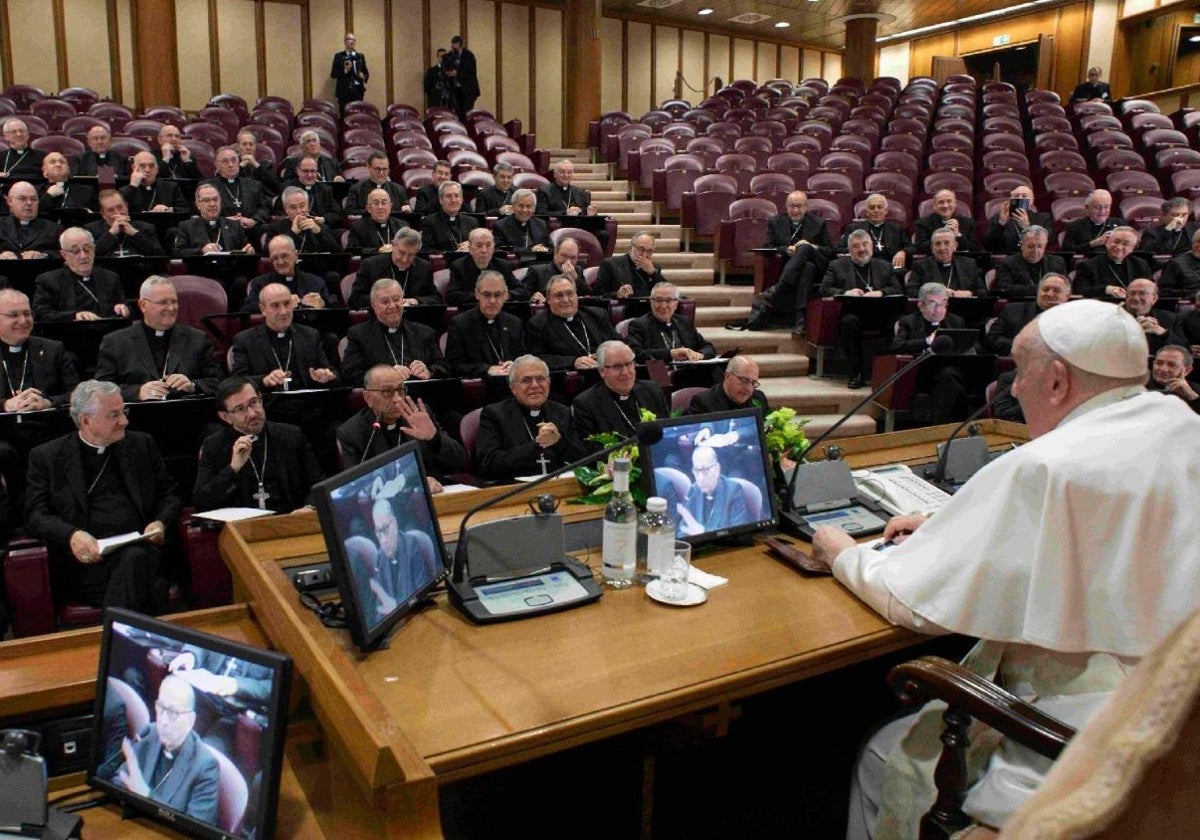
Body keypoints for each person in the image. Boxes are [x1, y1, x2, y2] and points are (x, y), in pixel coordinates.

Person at [812, 298, 1200, 839]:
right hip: (1169, 720)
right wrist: (955, 525)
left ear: (1059, 380)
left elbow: (912, 605)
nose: (1014, 389)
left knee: (883, 758)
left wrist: (843, 553)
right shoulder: (1181, 424)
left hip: (1079, 739)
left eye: (1021, 372)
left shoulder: (1047, 464)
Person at [25, 380, 180, 611]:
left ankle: (116, 639)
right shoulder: (48, 457)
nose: (124, 421)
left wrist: (160, 521)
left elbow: (170, 494)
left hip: (144, 550)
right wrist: (72, 535)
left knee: (136, 558)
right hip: (86, 565)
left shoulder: (141, 445)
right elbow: (35, 515)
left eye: (124, 411)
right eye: (114, 415)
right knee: (149, 583)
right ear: (85, 420)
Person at [193, 376, 323, 513]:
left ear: (260, 398)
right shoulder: (214, 446)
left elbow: (318, 483)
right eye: (240, 409)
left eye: (253, 402)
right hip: (242, 528)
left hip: (291, 521)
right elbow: (201, 502)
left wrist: (309, 507)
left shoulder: (292, 436)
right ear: (225, 417)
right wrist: (233, 469)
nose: (252, 413)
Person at [0, 288, 80, 507]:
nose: (23, 321)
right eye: (13, 315)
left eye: (27, 314)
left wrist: (49, 403)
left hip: (45, 428)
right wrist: (5, 405)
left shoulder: (53, 349)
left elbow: (77, 393)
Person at [95, 276, 222, 401]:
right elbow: (101, 389)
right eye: (163, 302)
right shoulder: (115, 342)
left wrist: (193, 386)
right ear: (143, 305)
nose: (171, 308)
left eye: (174, 302)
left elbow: (219, 383)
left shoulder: (198, 338)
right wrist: (137, 392)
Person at [112, 676, 219, 823]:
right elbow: (119, 780)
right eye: (160, 707)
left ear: (190, 720)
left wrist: (147, 797)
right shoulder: (149, 734)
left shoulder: (205, 766)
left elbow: (195, 827)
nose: (163, 720)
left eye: (173, 713)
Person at [337, 364, 465, 479]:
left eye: (400, 390)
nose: (397, 399)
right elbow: (356, 483)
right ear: (368, 398)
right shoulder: (352, 432)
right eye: (387, 392)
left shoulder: (418, 415)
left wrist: (434, 439)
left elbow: (459, 461)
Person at [475, 355, 586, 480]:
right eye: (526, 380)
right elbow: (487, 464)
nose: (535, 385)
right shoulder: (495, 414)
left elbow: (583, 459)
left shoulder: (561, 412)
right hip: (515, 489)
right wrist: (537, 446)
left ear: (549, 382)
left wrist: (559, 441)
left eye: (540, 379)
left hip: (559, 486)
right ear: (512, 388)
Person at [817, 230, 904, 389]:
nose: (862, 249)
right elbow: (824, 290)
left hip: (882, 314)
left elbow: (898, 289)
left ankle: (889, 374)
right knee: (849, 322)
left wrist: (881, 292)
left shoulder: (885, 266)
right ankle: (856, 373)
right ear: (850, 250)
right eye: (856, 246)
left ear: (871, 246)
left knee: (898, 323)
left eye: (865, 244)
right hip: (852, 313)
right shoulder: (836, 266)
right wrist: (845, 292)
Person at [737, 190, 833, 330]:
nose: (795, 210)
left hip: (819, 266)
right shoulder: (775, 222)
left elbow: (830, 251)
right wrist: (786, 250)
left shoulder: (819, 223)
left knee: (805, 248)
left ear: (806, 207)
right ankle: (800, 320)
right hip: (791, 266)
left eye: (799, 206)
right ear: (786, 206)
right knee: (807, 268)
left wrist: (811, 246)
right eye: (792, 206)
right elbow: (768, 247)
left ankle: (778, 289)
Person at [230, 282, 339, 392]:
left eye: (287, 304)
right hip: (269, 404)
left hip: (308, 403)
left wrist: (326, 376)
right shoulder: (245, 340)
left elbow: (332, 373)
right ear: (263, 309)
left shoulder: (310, 335)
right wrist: (264, 380)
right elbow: (237, 382)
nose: (283, 312)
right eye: (275, 305)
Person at [340, 278, 447, 387]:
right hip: (384, 398)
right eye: (385, 302)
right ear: (374, 306)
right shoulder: (359, 335)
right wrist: (386, 375)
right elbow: (350, 375)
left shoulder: (425, 332)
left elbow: (443, 367)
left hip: (420, 395)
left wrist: (429, 371)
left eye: (396, 299)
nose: (392, 306)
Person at [892, 282, 972, 423]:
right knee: (949, 377)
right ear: (921, 305)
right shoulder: (908, 322)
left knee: (951, 375)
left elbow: (971, 344)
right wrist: (926, 342)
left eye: (943, 304)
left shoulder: (956, 321)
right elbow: (897, 346)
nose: (939, 309)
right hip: (921, 374)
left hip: (954, 371)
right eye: (932, 304)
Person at [571, 340, 669, 447]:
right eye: (617, 366)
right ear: (602, 371)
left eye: (629, 364)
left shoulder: (652, 389)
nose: (625, 372)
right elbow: (592, 450)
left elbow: (667, 431)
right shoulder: (586, 404)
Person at [32, 227, 131, 321]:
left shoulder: (110, 278)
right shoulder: (49, 281)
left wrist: (124, 309)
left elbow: (127, 307)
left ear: (94, 249)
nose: (83, 256)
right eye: (75, 251)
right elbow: (40, 314)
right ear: (64, 255)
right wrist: (74, 316)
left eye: (87, 249)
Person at [363, 498, 439, 619]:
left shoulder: (411, 545)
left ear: (394, 524)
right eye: (378, 532)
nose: (383, 540)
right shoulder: (380, 557)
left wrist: (395, 606)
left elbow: (421, 594)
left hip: (417, 617)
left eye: (385, 529)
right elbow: (379, 610)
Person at [525, 275, 618, 371]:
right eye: (559, 295)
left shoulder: (597, 315)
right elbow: (537, 359)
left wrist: (604, 355)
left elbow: (617, 342)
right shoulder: (538, 324)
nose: (565, 300)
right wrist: (573, 362)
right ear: (548, 300)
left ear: (576, 295)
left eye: (570, 294)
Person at [444, 270, 526, 378]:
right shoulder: (460, 324)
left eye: (497, 295)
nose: (492, 301)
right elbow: (453, 366)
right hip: (480, 387)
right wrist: (488, 369)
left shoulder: (514, 323)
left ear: (505, 295)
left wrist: (515, 365)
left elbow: (524, 358)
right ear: (477, 294)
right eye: (487, 295)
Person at [349, 228, 439, 309]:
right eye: (401, 253)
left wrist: (416, 301)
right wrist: (385, 301)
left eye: (411, 255)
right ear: (393, 245)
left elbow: (436, 298)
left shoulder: (424, 267)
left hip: (414, 321)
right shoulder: (370, 265)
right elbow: (355, 298)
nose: (404, 260)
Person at [625, 281, 715, 363]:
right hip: (658, 374)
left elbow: (708, 347)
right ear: (651, 302)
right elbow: (635, 353)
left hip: (687, 372)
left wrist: (699, 355)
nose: (663, 306)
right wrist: (670, 354)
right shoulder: (639, 325)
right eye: (658, 300)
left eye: (668, 301)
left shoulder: (684, 322)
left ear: (676, 304)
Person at [984, 273, 1072, 356]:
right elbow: (991, 340)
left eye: (1056, 291)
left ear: (1067, 296)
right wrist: (1023, 345)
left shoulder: (1075, 318)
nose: (1049, 294)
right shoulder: (1013, 310)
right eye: (1045, 289)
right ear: (1038, 292)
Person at [242, 234, 335, 312]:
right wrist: (278, 304)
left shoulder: (315, 282)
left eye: (284, 256)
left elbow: (334, 305)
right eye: (275, 258)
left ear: (296, 255)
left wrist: (323, 304)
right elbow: (247, 309)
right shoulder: (260, 284)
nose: (280, 262)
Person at [676, 445, 748, 536]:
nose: (700, 478)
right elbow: (682, 531)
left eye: (705, 470)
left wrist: (703, 533)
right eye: (696, 470)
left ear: (717, 469)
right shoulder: (693, 491)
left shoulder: (733, 491)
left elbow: (740, 533)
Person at [172, 184, 255, 257]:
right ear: (198, 205)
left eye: (215, 199)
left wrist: (249, 252)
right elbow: (177, 253)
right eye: (207, 200)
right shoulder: (187, 226)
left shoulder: (234, 225)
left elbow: (245, 249)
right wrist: (201, 250)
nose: (212, 204)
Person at [445, 227, 521, 306]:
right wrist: (482, 296)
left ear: (494, 247)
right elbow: (452, 296)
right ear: (470, 248)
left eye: (488, 245)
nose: (484, 250)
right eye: (479, 246)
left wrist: (507, 295)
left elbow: (522, 291)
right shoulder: (458, 266)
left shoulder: (503, 265)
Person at [202, 145, 272, 229]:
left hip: (251, 230)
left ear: (239, 161)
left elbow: (264, 208)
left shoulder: (254, 185)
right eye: (225, 161)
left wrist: (253, 221)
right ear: (216, 164)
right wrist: (224, 221)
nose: (230, 164)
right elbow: (203, 213)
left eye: (234, 160)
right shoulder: (207, 187)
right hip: (222, 230)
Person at [1072, 225, 1150, 300]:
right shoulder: (1087, 265)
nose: (1119, 247)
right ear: (1107, 242)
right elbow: (1079, 290)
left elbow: (1149, 288)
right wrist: (1106, 289)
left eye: (1125, 244)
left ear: (1132, 248)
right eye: (1116, 241)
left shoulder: (1140, 265)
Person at [991, 226, 1068, 299]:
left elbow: (1066, 285)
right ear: (1021, 245)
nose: (1035, 251)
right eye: (1031, 246)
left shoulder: (1057, 262)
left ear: (1045, 246)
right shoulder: (1007, 263)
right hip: (1021, 306)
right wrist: (1040, 289)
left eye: (1040, 246)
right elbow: (1004, 288)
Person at [904, 229, 986, 297]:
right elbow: (911, 291)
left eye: (947, 243)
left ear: (955, 246)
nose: (942, 248)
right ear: (932, 248)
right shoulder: (921, 266)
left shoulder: (969, 264)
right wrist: (935, 294)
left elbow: (983, 291)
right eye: (938, 243)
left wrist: (969, 293)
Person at [838, 193, 909, 270]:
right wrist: (859, 250)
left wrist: (903, 252)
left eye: (879, 207)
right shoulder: (854, 228)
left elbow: (911, 247)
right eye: (872, 208)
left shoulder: (897, 229)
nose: (876, 210)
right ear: (867, 212)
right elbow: (840, 248)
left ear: (885, 211)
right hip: (864, 266)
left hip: (891, 267)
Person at [86, 190, 165, 258]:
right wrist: (111, 234)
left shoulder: (146, 228)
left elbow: (159, 256)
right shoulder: (91, 230)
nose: (118, 213)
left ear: (126, 206)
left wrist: (134, 234)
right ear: (103, 214)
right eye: (110, 210)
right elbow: (89, 255)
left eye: (120, 207)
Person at [982, 186, 1054, 255]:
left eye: (1024, 196)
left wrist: (1027, 227)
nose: (1020, 198)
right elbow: (988, 245)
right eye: (1016, 196)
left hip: (1033, 257)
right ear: (1011, 200)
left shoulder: (1043, 218)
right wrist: (1001, 224)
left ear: (1031, 201)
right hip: (1007, 259)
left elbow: (1049, 241)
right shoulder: (998, 218)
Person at [685, 356, 768, 414]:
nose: (749, 389)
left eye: (753, 383)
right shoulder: (703, 403)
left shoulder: (758, 398)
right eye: (744, 381)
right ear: (728, 376)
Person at [272, 163, 344, 229]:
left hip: (320, 227)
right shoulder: (287, 187)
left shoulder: (325, 189)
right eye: (305, 171)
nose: (309, 175)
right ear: (298, 171)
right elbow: (279, 211)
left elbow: (337, 213)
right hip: (292, 225)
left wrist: (323, 219)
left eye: (313, 171)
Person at [594, 231, 665, 299]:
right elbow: (597, 295)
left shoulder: (654, 268)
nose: (644, 255)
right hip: (623, 308)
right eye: (641, 249)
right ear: (631, 248)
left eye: (649, 251)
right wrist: (617, 294)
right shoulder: (610, 264)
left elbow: (666, 292)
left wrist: (653, 273)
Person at [1122, 277, 1183, 354]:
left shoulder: (1171, 318)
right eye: (1132, 293)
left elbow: (1185, 351)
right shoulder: (1113, 317)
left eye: (1142, 293)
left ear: (1154, 298)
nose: (1136, 298)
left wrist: (1162, 332)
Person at [0, 181, 61, 258]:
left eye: (33, 199)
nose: (29, 203)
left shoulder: (54, 229)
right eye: (22, 199)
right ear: (10, 201)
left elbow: (64, 254)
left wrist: (44, 255)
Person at [913, 189, 982, 255]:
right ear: (934, 206)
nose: (945, 205)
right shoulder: (923, 223)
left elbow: (975, 249)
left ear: (955, 204)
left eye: (949, 201)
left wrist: (958, 236)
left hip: (962, 263)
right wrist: (941, 237)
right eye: (941, 202)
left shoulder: (968, 223)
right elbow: (920, 248)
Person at [420, 181, 480, 253]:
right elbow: (426, 250)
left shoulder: (472, 222)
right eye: (448, 196)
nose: (454, 200)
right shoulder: (429, 222)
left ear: (461, 200)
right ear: (441, 200)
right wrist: (454, 253)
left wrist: (471, 246)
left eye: (457, 196)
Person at [522, 236, 588, 303]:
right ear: (555, 253)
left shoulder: (578, 270)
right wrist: (534, 298)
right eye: (564, 256)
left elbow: (588, 296)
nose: (568, 262)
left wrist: (576, 279)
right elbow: (523, 296)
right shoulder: (537, 271)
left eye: (573, 258)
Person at [1061, 189, 1125, 256]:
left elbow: (1134, 246)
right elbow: (1066, 251)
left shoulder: (1120, 224)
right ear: (1087, 207)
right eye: (1097, 207)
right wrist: (1092, 244)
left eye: (1106, 207)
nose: (1102, 211)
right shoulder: (1074, 226)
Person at [120, 151, 188, 213]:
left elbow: (185, 210)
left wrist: (168, 209)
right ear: (134, 168)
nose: (147, 170)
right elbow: (121, 212)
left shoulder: (171, 187)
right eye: (142, 166)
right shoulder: (125, 191)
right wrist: (133, 187)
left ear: (156, 169)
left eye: (151, 166)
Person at [491, 188, 551, 257]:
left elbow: (551, 248)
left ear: (534, 208)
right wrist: (530, 250)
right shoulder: (500, 226)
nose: (525, 210)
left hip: (538, 263)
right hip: (514, 264)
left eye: (528, 206)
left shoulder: (541, 224)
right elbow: (500, 250)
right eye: (521, 206)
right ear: (513, 207)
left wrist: (545, 250)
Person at [343, 151, 407, 216]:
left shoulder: (398, 189)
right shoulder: (356, 189)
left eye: (384, 169)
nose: (381, 173)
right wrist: (371, 211)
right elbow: (349, 211)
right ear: (369, 167)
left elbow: (405, 208)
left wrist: (406, 208)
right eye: (378, 169)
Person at [347, 188, 405, 256]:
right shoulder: (358, 227)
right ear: (369, 208)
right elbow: (353, 251)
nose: (380, 207)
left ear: (390, 207)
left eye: (384, 203)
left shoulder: (402, 225)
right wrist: (378, 250)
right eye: (376, 203)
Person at [37, 151, 96, 216]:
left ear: (68, 170)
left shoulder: (86, 191)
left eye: (62, 162)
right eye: (53, 162)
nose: (58, 164)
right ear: (44, 171)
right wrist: (48, 196)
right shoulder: (35, 191)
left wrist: (91, 215)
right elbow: (32, 213)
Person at [1150, 345, 1199, 411]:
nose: (1163, 369)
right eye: (1159, 363)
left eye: (1172, 365)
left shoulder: (1196, 391)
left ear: (1187, 370)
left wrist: (1192, 397)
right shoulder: (1140, 385)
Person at [331, 32, 369, 112]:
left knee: (358, 114)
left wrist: (364, 76)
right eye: (349, 39)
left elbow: (366, 73)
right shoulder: (339, 56)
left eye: (354, 40)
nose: (352, 41)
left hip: (358, 91)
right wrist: (345, 70)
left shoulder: (360, 56)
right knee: (344, 114)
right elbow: (333, 74)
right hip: (344, 91)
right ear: (345, 42)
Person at [234, 129, 281, 196]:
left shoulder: (265, 165)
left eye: (251, 144)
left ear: (255, 147)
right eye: (244, 144)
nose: (248, 147)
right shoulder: (231, 165)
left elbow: (276, 186)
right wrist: (240, 167)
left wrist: (256, 165)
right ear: (238, 147)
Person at [445, 35, 479, 121]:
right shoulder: (450, 55)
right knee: (457, 113)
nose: (452, 47)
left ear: (459, 44)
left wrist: (457, 73)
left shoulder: (469, 56)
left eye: (454, 45)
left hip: (468, 90)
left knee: (466, 113)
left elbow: (471, 72)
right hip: (455, 89)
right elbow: (445, 67)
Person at [1159, 227, 1200, 298]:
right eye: (1198, 241)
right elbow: (1165, 292)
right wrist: (1193, 295)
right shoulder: (1176, 263)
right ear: (1192, 243)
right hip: (1188, 304)